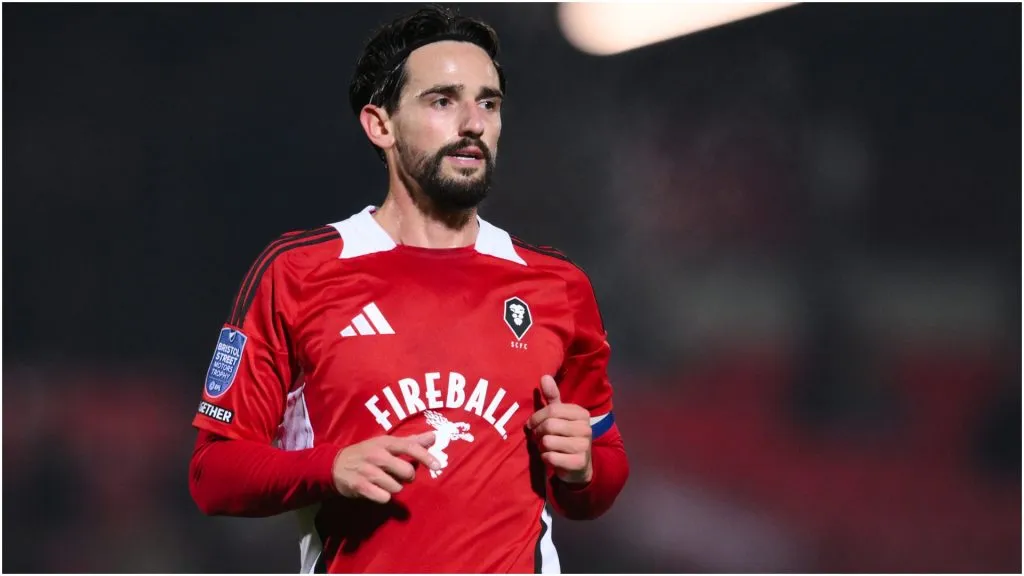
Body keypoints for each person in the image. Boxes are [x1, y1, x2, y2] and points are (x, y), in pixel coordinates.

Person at [188, 5, 629, 573]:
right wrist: (330, 468)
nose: (473, 123)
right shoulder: (298, 274)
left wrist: (583, 467)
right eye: (442, 101)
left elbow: (600, 478)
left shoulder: (556, 285)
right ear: (381, 125)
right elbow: (212, 475)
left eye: (488, 103)